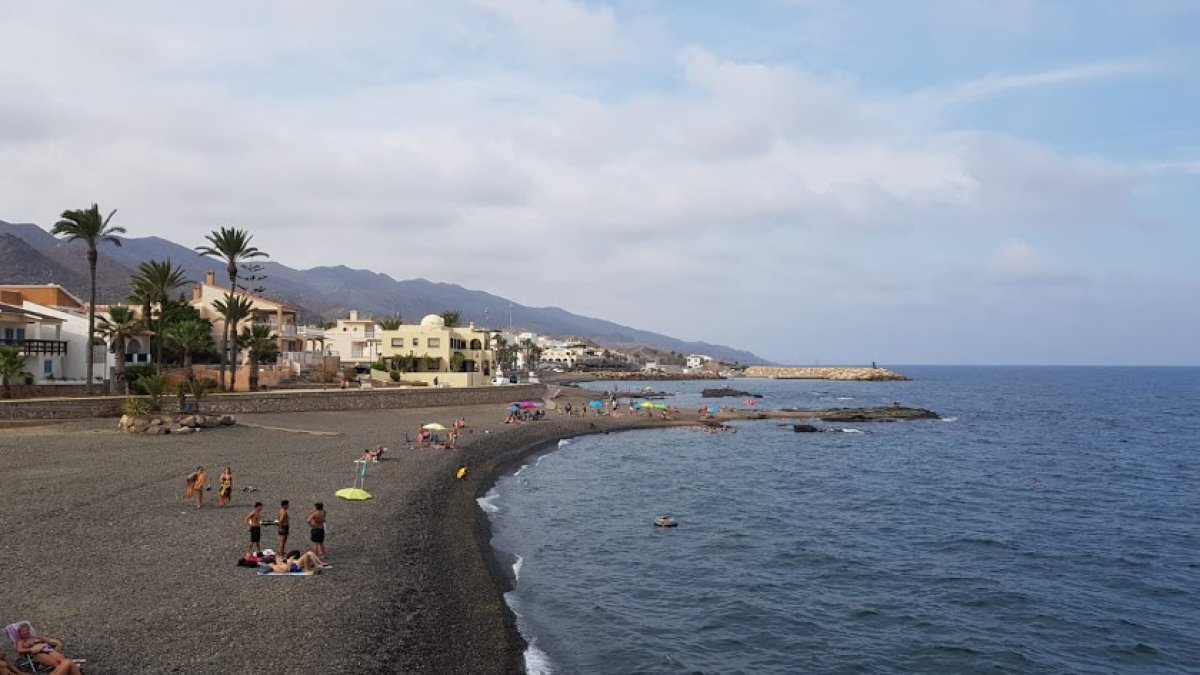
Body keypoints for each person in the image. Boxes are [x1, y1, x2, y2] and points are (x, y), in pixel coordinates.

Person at [13, 623, 82, 675]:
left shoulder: (35, 637)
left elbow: (48, 640)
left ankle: (68, 668)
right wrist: (31, 650)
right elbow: (19, 650)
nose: (26, 632)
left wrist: (57, 642)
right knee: (58, 664)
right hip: (38, 653)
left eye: (27, 630)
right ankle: (69, 668)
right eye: (23, 631)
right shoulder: (21, 641)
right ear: (19, 633)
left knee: (63, 660)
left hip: (49, 650)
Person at [262, 550, 328, 575]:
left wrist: (290, 561)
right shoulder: (275, 567)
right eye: (277, 558)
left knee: (310, 553)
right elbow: (284, 571)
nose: (279, 558)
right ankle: (315, 566)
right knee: (309, 553)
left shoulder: (279, 563)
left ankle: (320, 563)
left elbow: (285, 564)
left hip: (294, 565)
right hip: (294, 568)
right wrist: (289, 563)